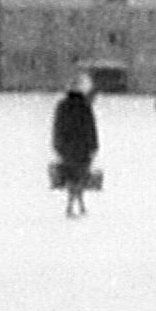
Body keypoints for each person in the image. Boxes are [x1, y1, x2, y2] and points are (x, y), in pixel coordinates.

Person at [50, 72, 100, 218]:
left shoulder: (62, 106)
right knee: (80, 177)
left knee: (72, 177)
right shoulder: (85, 106)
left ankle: (74, 205)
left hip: (66, 147)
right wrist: (94, 146)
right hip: (82, 147)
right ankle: (75, 205)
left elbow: (57, 126)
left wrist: (57, 145)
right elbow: (91, 128)